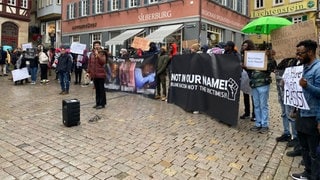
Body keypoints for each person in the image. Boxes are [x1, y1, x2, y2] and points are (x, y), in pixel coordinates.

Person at [291, 40, 320, 180]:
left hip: (313, 116)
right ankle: (307, 173)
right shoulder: (302, 68)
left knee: (314, 151)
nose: (297, 56)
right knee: (304, 147)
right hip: (301, 113)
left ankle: (315, 176)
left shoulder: (318, 69)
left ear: (310, 52)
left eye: (300, 53)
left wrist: (307, 85)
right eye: (297, 53)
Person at [247, 48, 276, 134]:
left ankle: (264, 124)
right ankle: (258, 123)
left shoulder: (270, 60)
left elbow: (272, 68)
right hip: (254, 84)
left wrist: (269, 57)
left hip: (263, 84)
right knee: (256, 105)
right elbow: (249, 68)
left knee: (263, 105)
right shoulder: (254, 59)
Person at [88, 41, 107, 109]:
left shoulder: (102, 53)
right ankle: (97, 103)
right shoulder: (91, 54)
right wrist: (89, 72)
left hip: (101, 74)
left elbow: (103, 62)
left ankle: (102, 104)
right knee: (97, 89)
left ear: (100, 46)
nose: (96, 46)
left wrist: (98, 55)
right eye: (95, 45)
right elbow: (89, 63)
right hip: (94, 74)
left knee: (101, 89)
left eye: (98, 45)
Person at [240, 40, 256, 121]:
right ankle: (247, 113)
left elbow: (255, 66)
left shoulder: (253, 54)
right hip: (244, 77)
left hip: (251, 77)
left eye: (245, 45)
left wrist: (246, 67)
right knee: (245, 95)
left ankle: (254, 114)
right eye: (243, 45)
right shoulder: (242, 55)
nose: (243, 47)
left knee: (253, 96)